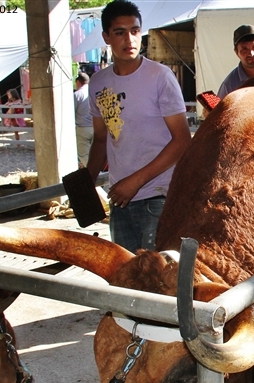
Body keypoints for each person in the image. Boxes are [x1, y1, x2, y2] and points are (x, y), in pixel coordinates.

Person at [86, 0, 191, 253]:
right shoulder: (98, 83)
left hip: (159, 196)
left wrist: (135, 181)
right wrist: (86, 185)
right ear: (106, 37)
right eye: (120, 32)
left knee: (157, 282)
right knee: (127, 281)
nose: (129, 39)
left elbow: (182, 140)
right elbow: (101, 139)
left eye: (135, 31)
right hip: (120, 199)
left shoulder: (160, 76)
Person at [74, 72, 93, 168]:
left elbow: (72, 112)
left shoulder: (77, 94)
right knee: (95, 153)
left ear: (78, 82)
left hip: (82, 128)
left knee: (83, 154)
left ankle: (94, 174)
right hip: (96, 126)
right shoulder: (94, 92)